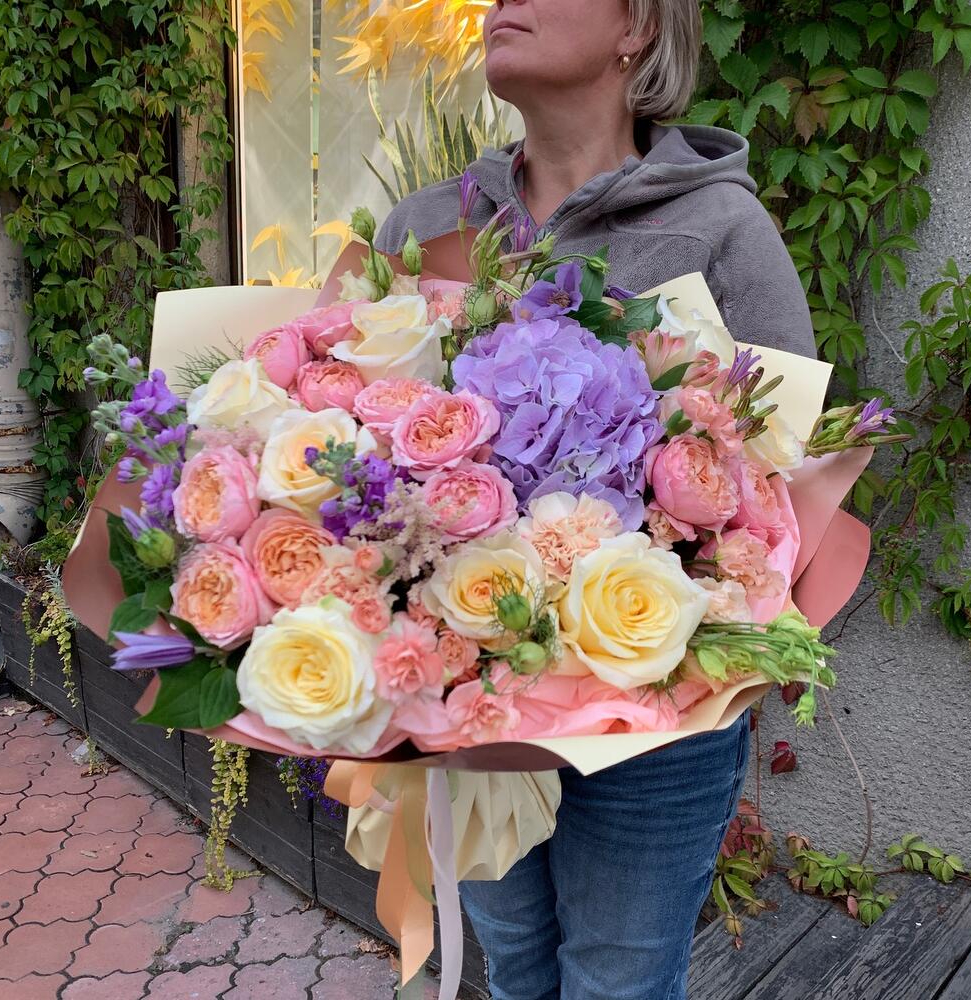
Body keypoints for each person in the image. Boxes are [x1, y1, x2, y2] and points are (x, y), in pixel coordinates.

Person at [375, 2, 816, 997]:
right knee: (514, 971)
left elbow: (789, 476)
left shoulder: (720, 227)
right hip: (475, 702)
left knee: (619, 985)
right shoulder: (426, 228)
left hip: (656, 722)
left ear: (637, 27)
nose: (503, 2)